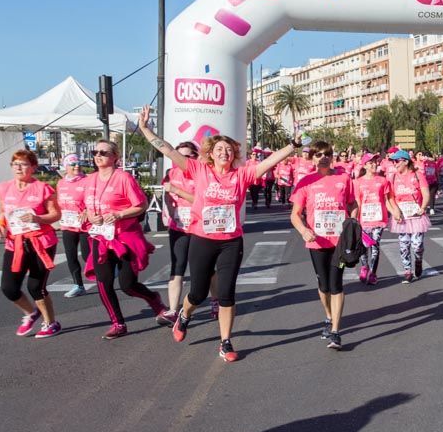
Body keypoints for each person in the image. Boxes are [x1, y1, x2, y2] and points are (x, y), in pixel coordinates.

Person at [139, 107, 297, 360]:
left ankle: (226, 342)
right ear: (210, 154)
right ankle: (185, 315)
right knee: (198, 293)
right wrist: (146, 129)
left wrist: (293, 145)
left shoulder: (242, 175)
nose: (225, 152)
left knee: (226, 294)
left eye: (229, 149)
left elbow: (269, 162)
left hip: (230, 242)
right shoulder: (199, 170)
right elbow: (167, 150)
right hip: (202, 240)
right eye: (220, 149)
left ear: (234, 154)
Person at [83, 137, 167, 340]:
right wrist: (90, 216)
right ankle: (118, 323)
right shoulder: (89, 180)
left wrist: (119, 214)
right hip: (100, 236)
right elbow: (86, 207)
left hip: (125, 236)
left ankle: (154, 299)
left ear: (115, 157)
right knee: (103, 282)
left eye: (103, 152)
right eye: (95, 153)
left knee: (127, 285)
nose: (98, 156)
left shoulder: (123, 178)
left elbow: (141, 205)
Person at [291, 141, 357, 349]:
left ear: (332, 156)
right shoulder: (306, 182)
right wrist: (304, 230)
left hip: (339, 243)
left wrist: (352, 223)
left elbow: (352, 203)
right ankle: (328, 316)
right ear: (312, 158)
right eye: (318, 155)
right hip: (317, 241)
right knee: (324, 285)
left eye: (327, 154)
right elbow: (295, 214)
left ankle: (335, 331)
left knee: (336, 284)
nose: (323, 157)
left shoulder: (344, 179)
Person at [0, 149, 62, 338]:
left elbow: (56, 214)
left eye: (23, 164)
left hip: (41, 242)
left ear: (33, 167)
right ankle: (31, 313)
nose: (18, 168)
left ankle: (51, 323)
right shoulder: (3, 188)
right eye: (15, 164)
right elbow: (3, 212)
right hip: (15, 243)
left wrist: (37, 218)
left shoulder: (43, 188)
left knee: (35, 287)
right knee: (9, 288)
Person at [159, 140, 199, 324]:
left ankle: (215, 301)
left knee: (205, 268)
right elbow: (167, 198)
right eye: (179, 156)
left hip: (199, 227)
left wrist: (177, 191)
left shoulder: (201, 174)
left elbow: (201, 200)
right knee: (178, 267)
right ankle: (173, 310)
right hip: (179, 227)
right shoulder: (170, 174)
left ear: (195, 157)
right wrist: (169, 214)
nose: (182, 160)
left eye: (188, 156)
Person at [389, 149, 433, 283]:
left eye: (397, 161)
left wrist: (423, 207)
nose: (394, 164)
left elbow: (426, 193)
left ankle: (418, 260)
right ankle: (407, 270)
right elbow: (390, 197)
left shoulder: (418, 175)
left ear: (406, 161)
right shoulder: (393, 177)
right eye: (393, 161)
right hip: (402, 216)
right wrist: (395, 210)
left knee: (417, 245)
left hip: (416, 215)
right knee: (404, 245)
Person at [353, 152, 396, 286]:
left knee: (375, 245)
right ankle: (364, 266)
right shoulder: (357, 182)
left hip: (379, 219)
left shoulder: (383, 181)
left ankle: (373, 273)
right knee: (363, 246)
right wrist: (354, 219)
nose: (374, 165)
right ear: (365, 165)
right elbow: (357, 202)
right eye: (370, 163)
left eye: (375, 162)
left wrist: (395, 212)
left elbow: (387, 200)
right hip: (363, 219)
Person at [55, 154, 91, 298]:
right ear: (66, 167)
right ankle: (78, 285)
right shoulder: (61, 183)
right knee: (71, 256)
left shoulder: (87, 181)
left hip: (85, 225)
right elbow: (59, 202)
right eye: (73, 164)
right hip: (68, 225)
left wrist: (87, 210)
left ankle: (108, 270)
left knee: (87, 255)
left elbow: (94, 199)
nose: (77, 166)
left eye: (78, 163)